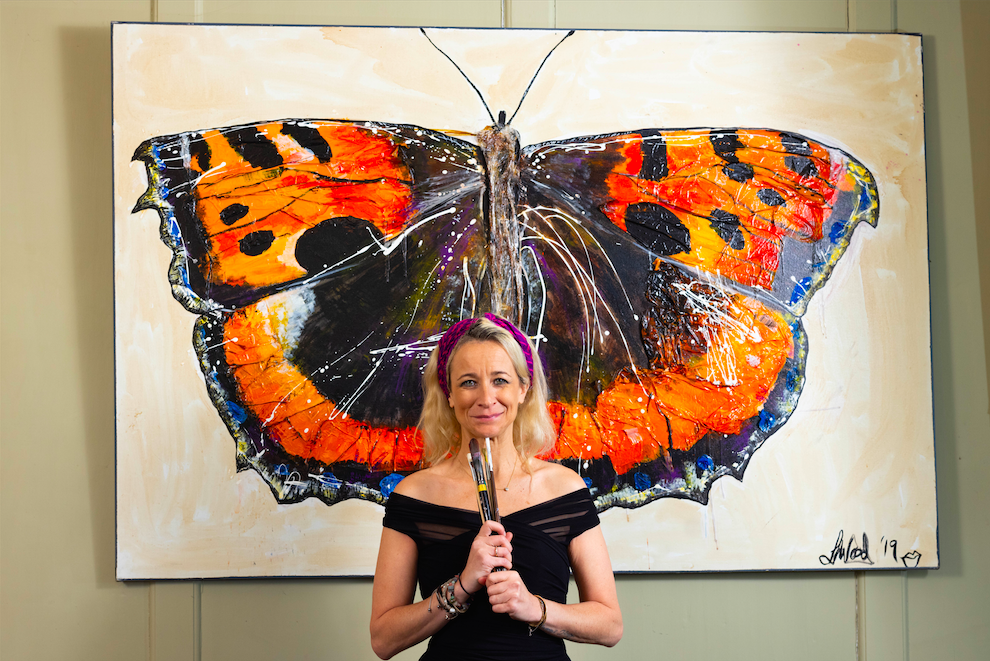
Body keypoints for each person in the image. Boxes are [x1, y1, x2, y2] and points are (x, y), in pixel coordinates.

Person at [370, 313, 622, 660]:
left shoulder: (564, 488)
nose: (486, 398)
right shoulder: (413, 495)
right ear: (449, 394)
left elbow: (610, 625)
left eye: (500, 380)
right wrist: (461, 587)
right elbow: (383, 640)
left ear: (523, 389)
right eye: (469, 382)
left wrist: (534, 607)